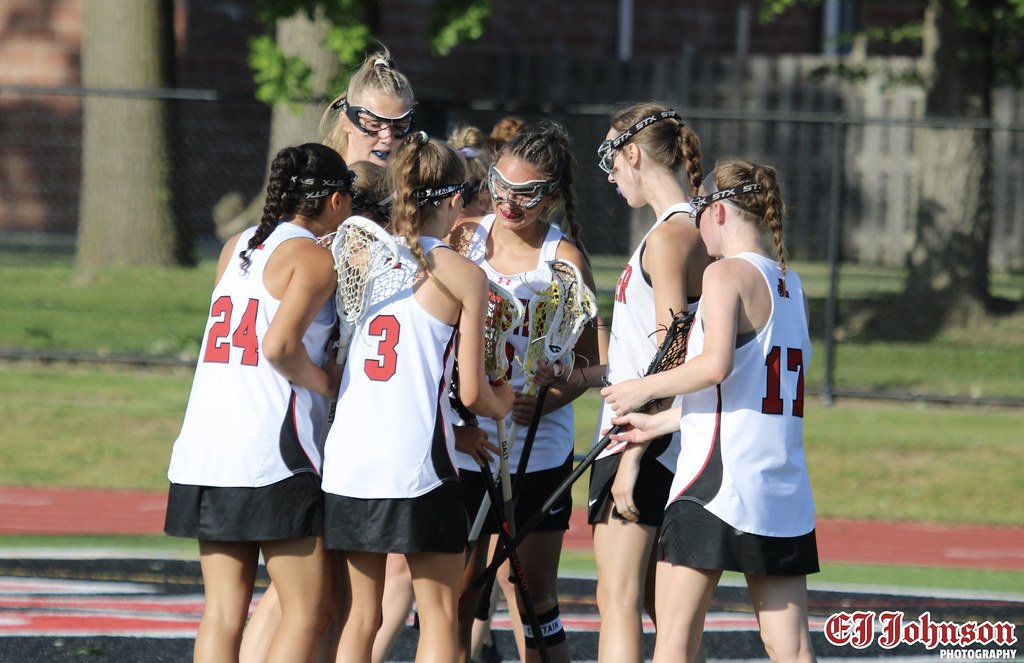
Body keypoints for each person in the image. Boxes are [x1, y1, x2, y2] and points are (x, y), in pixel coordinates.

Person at [600, 159, 818, 663]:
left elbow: (714, 366)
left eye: (699, 212)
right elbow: (746, 392)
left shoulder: (726, 275)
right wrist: (656, 422)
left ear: (718, 211)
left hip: (715, 486)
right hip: (780, 489)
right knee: (790, 646)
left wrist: (640, 388)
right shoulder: (793, 285)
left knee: (674, 642)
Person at [321, 131, 514, 663]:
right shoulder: (464, 275)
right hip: (416, 464)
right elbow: (473, 392)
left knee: (362, 617)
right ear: (455, 201)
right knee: (437, 617)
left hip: (348, 461)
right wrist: (503, 402)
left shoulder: (367, 261)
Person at [165, 143, 354, 663]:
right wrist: (327, 382)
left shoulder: (236, 245)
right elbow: (277, 346)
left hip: (204, 447)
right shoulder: (315, 257)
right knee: (308, 610)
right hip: (270, 453)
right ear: (335, 200)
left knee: (222, 612)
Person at [449, 120, 601, 663]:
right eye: (500, 186)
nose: (509, 202)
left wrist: (555, 395)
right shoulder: (464, 237)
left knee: (532, 592)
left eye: (527, 193)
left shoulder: (564, 261)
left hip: (537, 446)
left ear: (553, 195)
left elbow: (590, 363)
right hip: (469, 440)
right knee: (457, 592)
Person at [577, 103, 710, 663]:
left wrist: (633, 450)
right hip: (666, 438)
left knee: (619, 599)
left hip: (646, 442)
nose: (610, 175)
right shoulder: (687, 228)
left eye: (612, 158)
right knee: (667, 617)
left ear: (633, 153)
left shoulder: (671, 235)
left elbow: (670, 351)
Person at [320, 47, 416, 166]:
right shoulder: (319, 181)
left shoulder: (415, 182)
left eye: (399, 126)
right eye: (374, 125)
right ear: (345, 121)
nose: (388, 138)